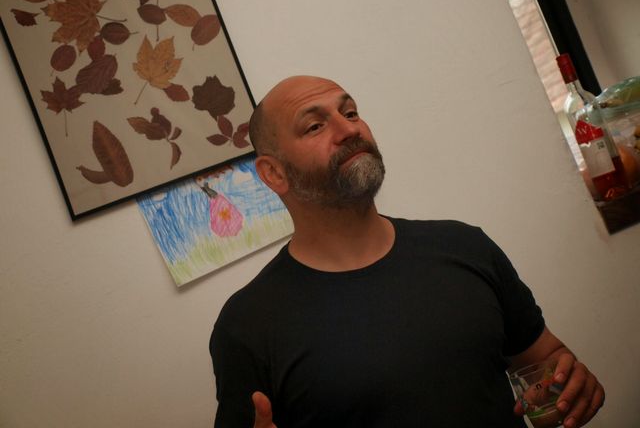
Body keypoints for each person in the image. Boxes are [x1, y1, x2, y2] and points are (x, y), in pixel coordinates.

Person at [209, 75, 605, 428]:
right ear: (274, 173)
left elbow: (543, 361)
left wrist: (566, 387)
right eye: (315, 125)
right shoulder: (247, 325)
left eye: (350, 112)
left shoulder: (466, 246)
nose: (349, 129)